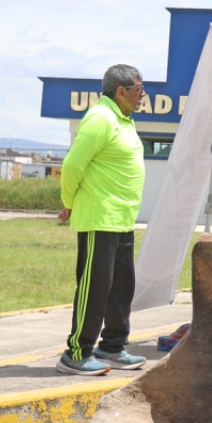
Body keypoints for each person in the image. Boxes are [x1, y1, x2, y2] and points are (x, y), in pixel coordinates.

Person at [55, 64, 148, 377]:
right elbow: (72, 166)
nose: (143, 95)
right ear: (120, 91)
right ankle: (77, 353)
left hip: (122, 219)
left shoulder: (124, 119)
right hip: (99, 218)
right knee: (95, 288)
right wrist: (68, 203)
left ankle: (112, 346)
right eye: (138, 90)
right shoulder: (100, 118)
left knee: (122, 287)